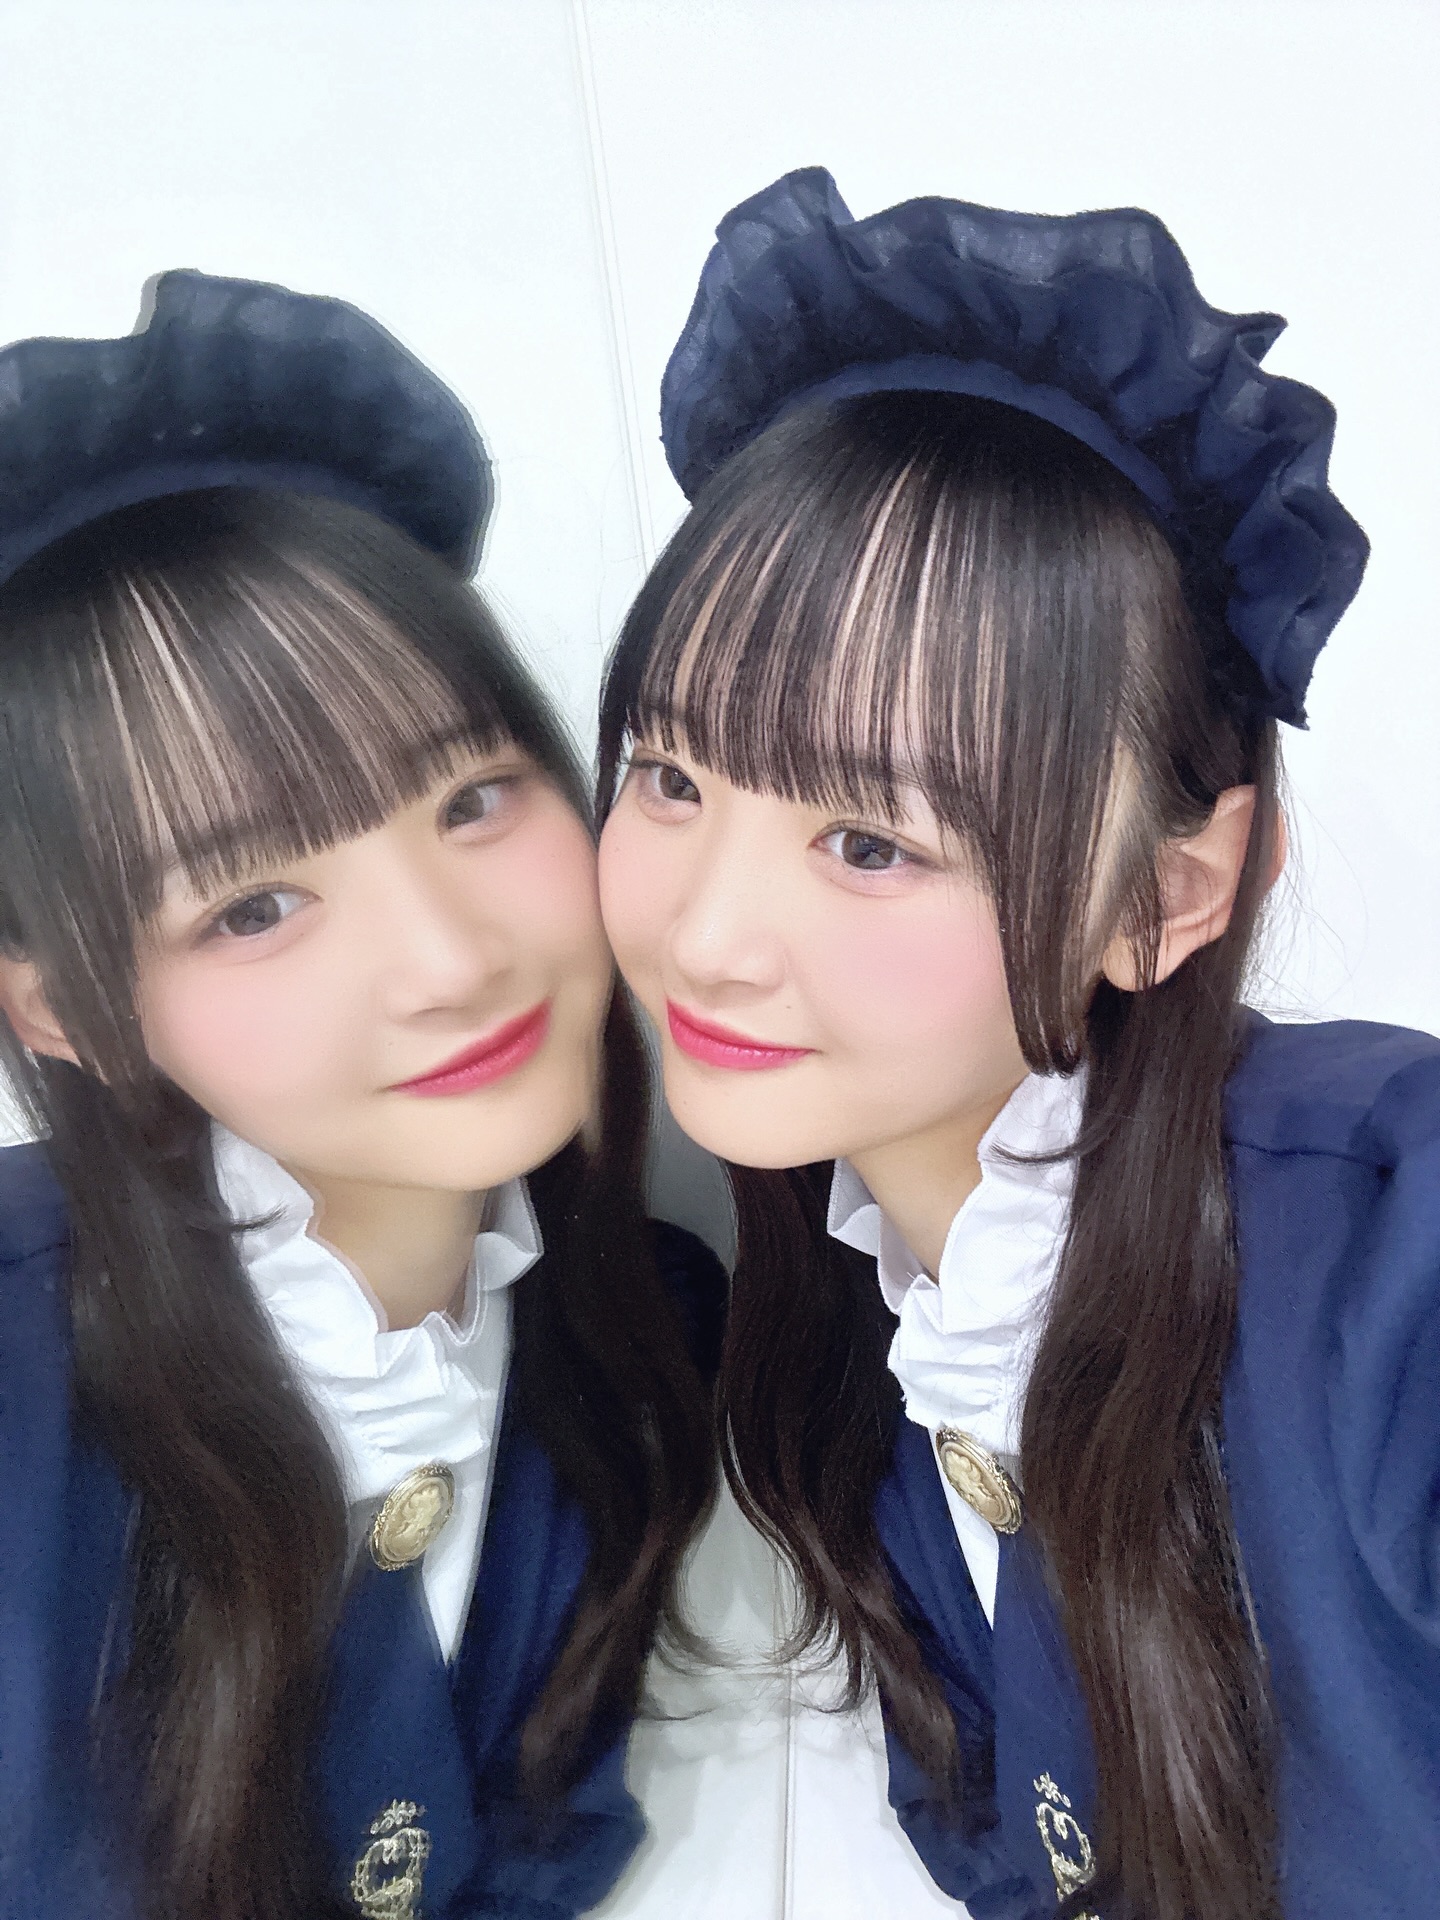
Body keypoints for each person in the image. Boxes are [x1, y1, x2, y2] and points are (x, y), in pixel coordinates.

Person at [595, 169, 1440, 1919]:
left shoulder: (1392, 1246)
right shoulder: (853, 1334)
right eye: (669, 777)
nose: (706, 934)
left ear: (1170, 896)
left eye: (868, 842)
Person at [0, 271, 721, 1920]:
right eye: (254, 905)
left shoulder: (653, 1333)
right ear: (61, 1009)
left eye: (471, 799)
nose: (449, 961)